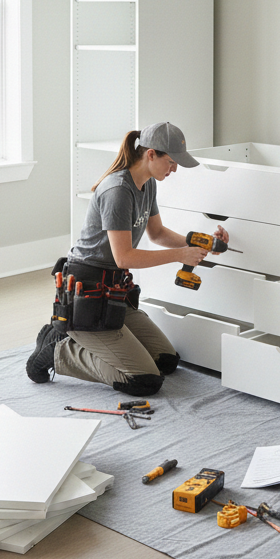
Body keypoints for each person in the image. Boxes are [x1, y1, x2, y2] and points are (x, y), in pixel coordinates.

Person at [25, 121, 227, 395]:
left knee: (166, 361)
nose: (175, 169)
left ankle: (92, 340)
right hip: (88, 295)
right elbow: (124, 257)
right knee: (145, 380)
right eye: (171, 161)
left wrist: (205, 242)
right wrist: (181, 254)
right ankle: (60, 348)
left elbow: (157, 234)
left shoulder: (147, 184)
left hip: (115, 295)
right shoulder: (117, 190)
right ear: (151, 154)